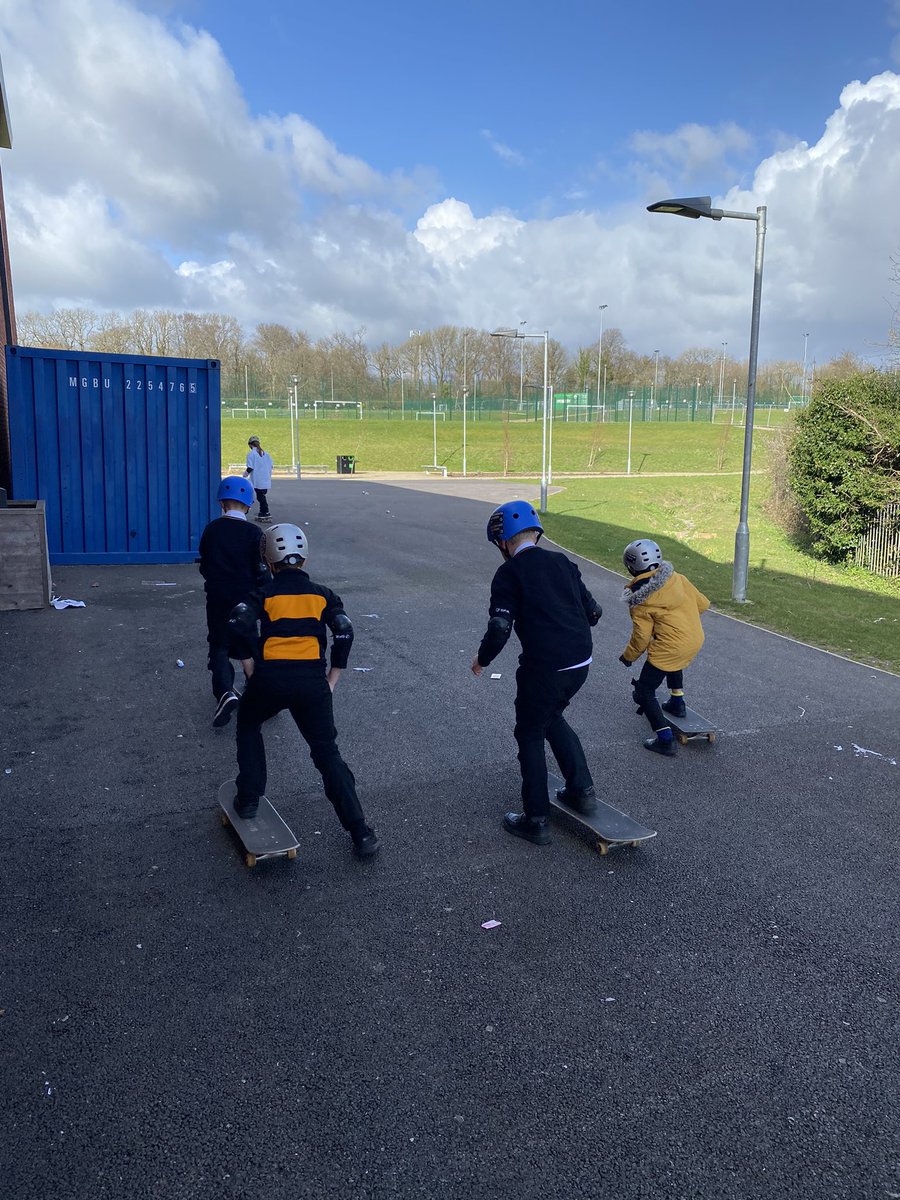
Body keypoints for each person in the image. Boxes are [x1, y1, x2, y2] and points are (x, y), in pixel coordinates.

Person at [227, 523, 379, 858]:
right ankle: (361, 832)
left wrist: (250, 666)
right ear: (304, 560)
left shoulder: (264, 595)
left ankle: (250, 797)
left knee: (249, 723)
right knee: (326, 754)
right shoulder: (323, 595)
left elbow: (238, 623)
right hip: (312, 685)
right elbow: (344, 631)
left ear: (269, 562)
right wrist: (332, 678)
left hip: (270, 681)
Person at [471, 500, 602, 846]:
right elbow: (594, 612)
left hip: (545, 666)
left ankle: (536, 819)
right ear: (535, 532)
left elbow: (500, 626)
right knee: (551, 717)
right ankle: (582, 791)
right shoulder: (562, 561)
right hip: (581, 662)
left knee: (529, 732)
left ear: (503, 541)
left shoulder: (509, 573)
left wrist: (482, 660)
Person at [618, 539, 710, 757]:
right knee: (671, 660)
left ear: (631, 567)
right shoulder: (678, 578)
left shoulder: (640, 599)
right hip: (694, 637)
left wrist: (628, 656)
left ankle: (664, 739)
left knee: (643, 692)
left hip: (671, 645)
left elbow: (641, 637)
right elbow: (703, 604)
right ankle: (677, 701)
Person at [198, 476, 268, 728]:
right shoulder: (254, 533)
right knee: (248, 646)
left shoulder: (212, 529)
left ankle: (225, 692)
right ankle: (260, 695)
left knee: (219, 645)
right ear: (249, 505)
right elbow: (261, 571)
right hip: (246, 602)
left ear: (221, 504)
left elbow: (204, 564)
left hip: (217, 598)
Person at [244, 436, 274, 522]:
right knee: (261, 496)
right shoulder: (266, 454)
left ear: (250, 445)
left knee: (260, 497)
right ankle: (262, 511)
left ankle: (265, 512)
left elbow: (250, 468)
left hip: (257, 480)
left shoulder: (251, 454)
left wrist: (244, 475)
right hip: (266, 479)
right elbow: (271, 466)